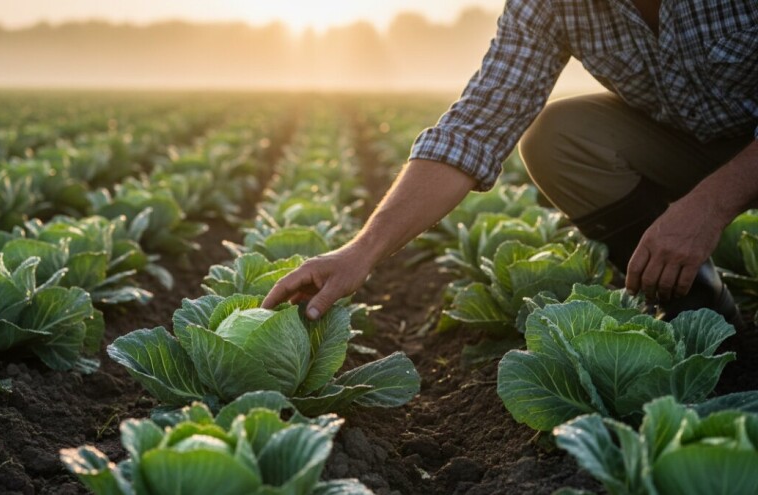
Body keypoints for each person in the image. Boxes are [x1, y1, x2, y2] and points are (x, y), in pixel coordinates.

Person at [262, 0, 758, 325]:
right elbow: (476, 127)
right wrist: (360, 252)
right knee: (558, 137)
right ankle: (700, 306)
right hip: (697, 146)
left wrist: (710, 206)